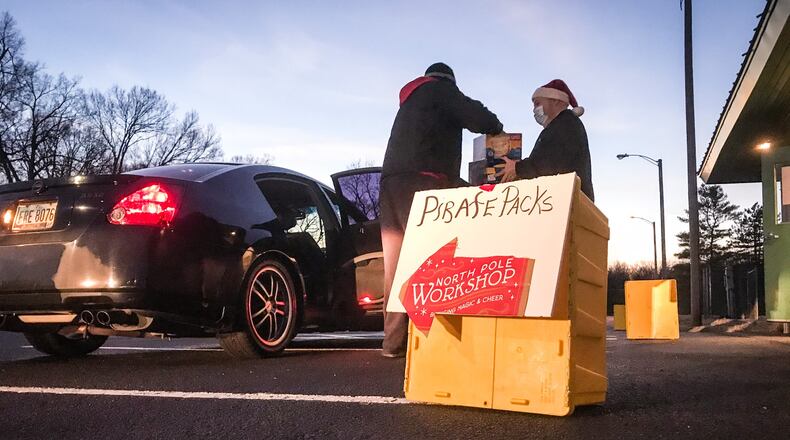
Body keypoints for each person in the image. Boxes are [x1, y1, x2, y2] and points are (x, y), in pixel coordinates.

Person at [379, 62, 503, 357]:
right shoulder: (439, 91)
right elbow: (478, 117)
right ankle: (434, 340)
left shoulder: (410, 102)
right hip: (423, 184)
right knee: (432, 260)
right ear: (449, 80)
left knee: (396, 268)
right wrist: (497, 128)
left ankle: (392, 343)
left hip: (391, 185)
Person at [498, 79, 594, 201]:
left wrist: (517, 168)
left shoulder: (565, 124)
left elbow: (546, 163)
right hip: (566, 201)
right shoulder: (563, 125)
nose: (534, 110)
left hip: (566, 203)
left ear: (555, 101)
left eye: (537, 103)